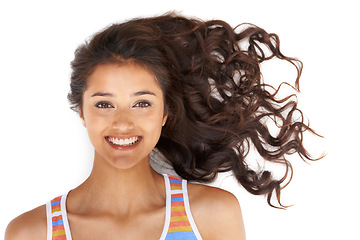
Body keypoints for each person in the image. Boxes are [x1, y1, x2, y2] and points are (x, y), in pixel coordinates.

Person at [5, 12, 319, 240]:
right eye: (104, 104)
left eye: (142, 103)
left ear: (165, 112)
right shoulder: (32, 233)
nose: (123, 123)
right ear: (82, 113)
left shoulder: (211, 216)